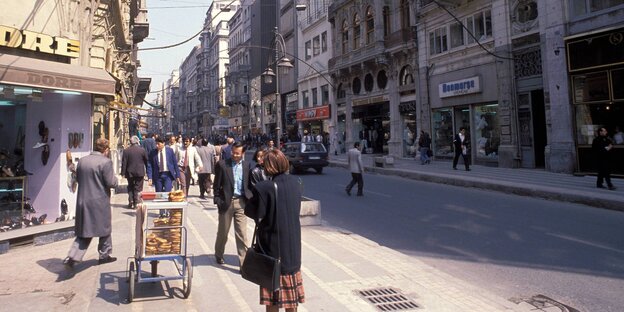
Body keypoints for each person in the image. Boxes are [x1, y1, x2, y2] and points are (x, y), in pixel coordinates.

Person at [244, 149, 305, 312]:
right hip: (292, 249)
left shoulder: (264, 188)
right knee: (291, 300)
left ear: (268, 167)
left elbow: (253, 212)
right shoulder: (296, 182)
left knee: (272, 300)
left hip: (272, 250)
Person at [63, 138, 118, 268]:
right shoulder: (106, 162)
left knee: (85, 230)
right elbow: (111, 183)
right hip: (99, 201)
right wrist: (116, 180)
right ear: (106, 150)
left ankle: (73, 256)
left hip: (83, 200)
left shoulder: (82, 161)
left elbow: (78, 178)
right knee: (104, 228)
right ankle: (104, 255)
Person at [213, 141, 252, 266]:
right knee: (223, 232)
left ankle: (243, 262)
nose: (235, 155)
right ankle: (219, 254)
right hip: (226, 203)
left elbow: (249, 185)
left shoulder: (247, 166)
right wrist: (218, 200)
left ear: (243, 153)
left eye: (238, 153)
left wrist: (249, 198)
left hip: (241, 203)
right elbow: (216, 186)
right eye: (233, 152)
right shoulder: (223, 165)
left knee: (242, 234)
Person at [121, 135, 147, 209]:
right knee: (138, 187)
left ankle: (131, 201)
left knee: (130, 186)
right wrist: (147, 171)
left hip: (130, 172)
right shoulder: (142, 150)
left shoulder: (126, 151)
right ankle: (136, 202)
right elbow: (146, 161)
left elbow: (124, 163)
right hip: (140, 172)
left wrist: (123, 173)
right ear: (137, 141)